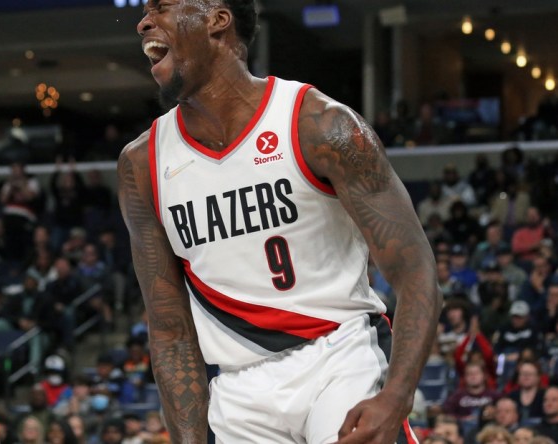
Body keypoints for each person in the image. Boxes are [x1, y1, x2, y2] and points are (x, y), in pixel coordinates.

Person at [118, 1, 442, 442]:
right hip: (237, 388)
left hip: (340, 356)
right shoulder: (142, 164)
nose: (143, 22)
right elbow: (171, 332)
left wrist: (397, 396)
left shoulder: (321, 125)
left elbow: (415, 269)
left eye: (163, 6)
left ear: (218, 18)